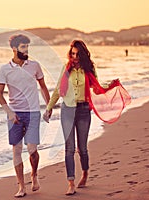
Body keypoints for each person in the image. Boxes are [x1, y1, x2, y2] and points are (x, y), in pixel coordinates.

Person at [43, 40, 131, 195]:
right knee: (69, 148)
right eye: (72, 53)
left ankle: (85, 173)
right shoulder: (66, 68)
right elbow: (58, 90)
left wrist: (110, 85)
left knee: (82, 148)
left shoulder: (88, 69)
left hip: (83, 110)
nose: (74, 56)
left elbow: (96, 89)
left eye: (77, 54)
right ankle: (71, 182)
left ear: (82, 54)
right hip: (67, 110)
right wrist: (49, 108)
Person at [0, 34, 50, 198]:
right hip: (15, 114)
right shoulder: (5, 69)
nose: (26, 50)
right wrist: (10, 113)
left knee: (32, 150)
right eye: (23, 47)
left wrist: (48, 107)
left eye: (27, 46)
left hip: (33, 112)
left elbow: (43, 87)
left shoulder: (34, 66)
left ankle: (34, 174)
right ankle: (21, 186)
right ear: (14, 49)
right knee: (16, 150)